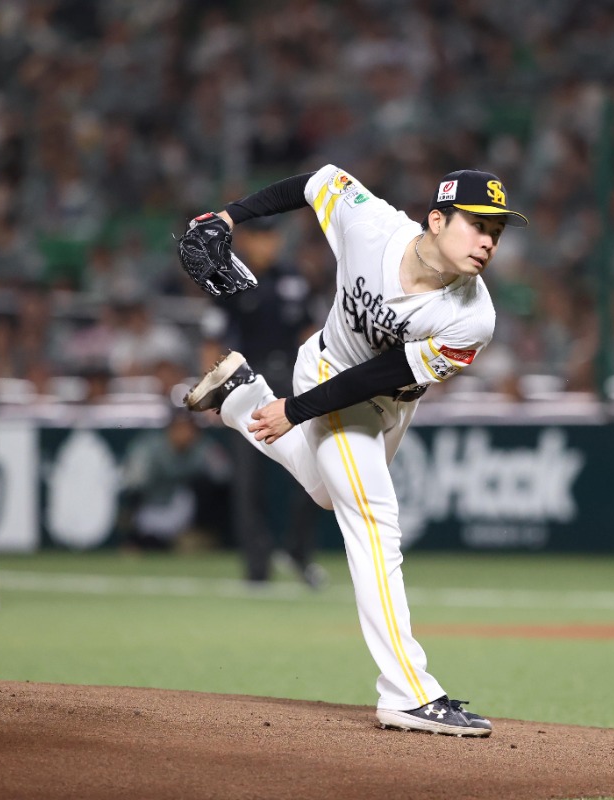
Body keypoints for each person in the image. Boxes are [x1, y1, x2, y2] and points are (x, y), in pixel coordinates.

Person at [184, 165, 528, 737]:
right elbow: (315, 181)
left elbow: (386, 373)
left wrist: (292, 410)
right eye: (477, 224)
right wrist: (228, 216)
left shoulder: (474, 318)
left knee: (327, 494)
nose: (489, 240)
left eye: (496, 230)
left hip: (387, 401)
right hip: (326, 371)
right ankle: (408, 692)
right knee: (373, 519)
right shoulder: (370, 223)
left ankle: (242, 399)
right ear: (436, 220)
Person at [198, 217, 327, 588]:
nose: (267, 244)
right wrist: (213, 391)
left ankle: (297, 551)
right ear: (247, 240)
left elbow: (310, 334)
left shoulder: (295, 278)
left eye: (272, 236)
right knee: (248, 480)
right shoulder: (228, 279)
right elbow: (212, 340)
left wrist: (319, 380)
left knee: (314, 469)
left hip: (293, 380)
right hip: (247, 384)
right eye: (260, 237)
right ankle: (257, 566)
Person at [117, 409, 232, 552]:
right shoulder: (150, 446)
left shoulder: (202, 447)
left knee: (205, 489)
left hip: (181, 509)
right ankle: (135, 541)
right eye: (180, 427)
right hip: (150, 508)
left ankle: (198, 536)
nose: (185, 433)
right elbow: (132, 482)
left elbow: (224, 474)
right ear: (170, 428)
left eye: (189, 428)